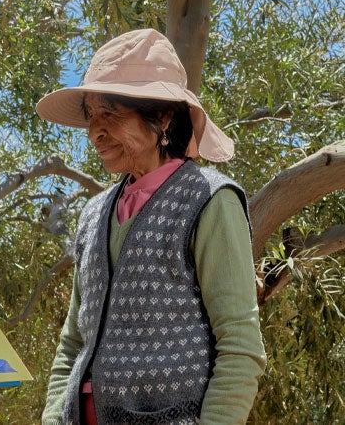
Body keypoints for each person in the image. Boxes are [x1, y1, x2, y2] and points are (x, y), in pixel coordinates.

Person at [35, 28, 267, 425]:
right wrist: (53, 417)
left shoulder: (209, 201)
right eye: (91, 115)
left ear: (161, 116)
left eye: (111, 113)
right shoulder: (93, 215)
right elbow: (73, 341)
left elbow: (240, 345)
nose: (95, 131)